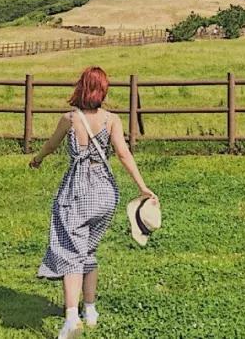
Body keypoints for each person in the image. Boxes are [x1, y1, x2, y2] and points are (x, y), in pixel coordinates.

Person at [32, 65, 157, 337]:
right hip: (105, 194)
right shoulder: (112, 120)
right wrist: (143, 187)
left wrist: (37, 159)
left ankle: (71, 318)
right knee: (88, 252)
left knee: (70, 252)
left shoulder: (70, 119)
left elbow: (51, 145)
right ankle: (90, 311)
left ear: (81, 87)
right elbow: (123, 154)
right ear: (103, 90)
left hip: (77, 193)